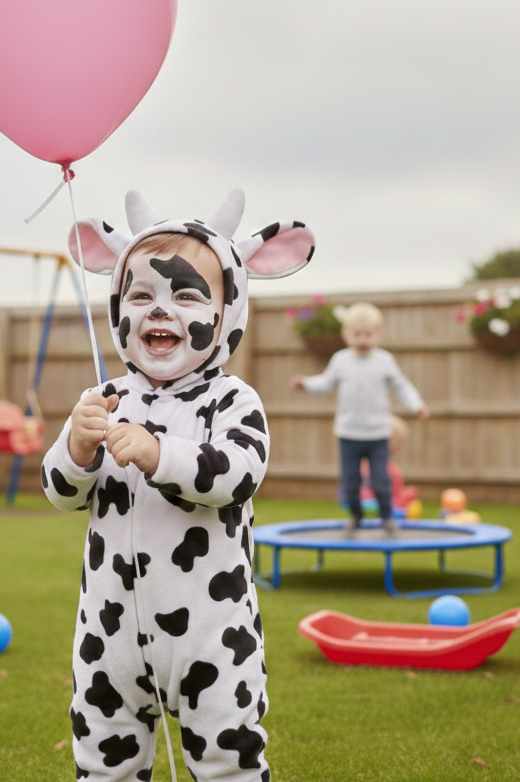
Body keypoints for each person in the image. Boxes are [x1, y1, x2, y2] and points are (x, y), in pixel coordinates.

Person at [41, 189, 314, 782]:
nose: (160, 310)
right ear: (118, 309)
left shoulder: (233, 399)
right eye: (141, 294)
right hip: (107, 633)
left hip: (211, 635)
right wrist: (77, 447)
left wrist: (159, 453)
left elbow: (237, 474)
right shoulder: (103, 400)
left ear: (226, 312)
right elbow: (59, 490)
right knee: (103, 757)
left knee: (227, 758)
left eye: (186, 295)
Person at [290, 302, 428, 537]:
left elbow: (401, 386)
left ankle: (387, 517)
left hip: (377, 435)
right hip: (348, 434)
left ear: (378, 335)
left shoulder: (384, 361)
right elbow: (325, 382)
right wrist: (306, 384)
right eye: (357, 334)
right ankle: (356, 515)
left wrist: (416, 405)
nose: (363, 339)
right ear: (346, 335)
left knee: (381, 480)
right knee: (351, 483)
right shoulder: (341, 360)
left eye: (368, 334)